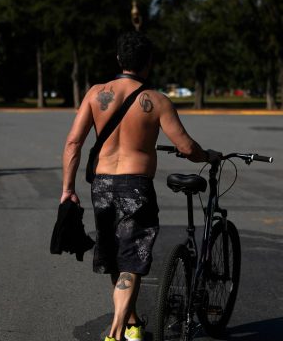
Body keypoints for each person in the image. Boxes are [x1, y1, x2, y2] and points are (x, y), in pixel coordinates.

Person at [60, 31, 220, 341]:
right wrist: (207, 155)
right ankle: (115, 335)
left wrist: (68, 187)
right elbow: (186, 147)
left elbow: (73, 142)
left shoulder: (96, 93)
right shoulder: (157, 101)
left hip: (102, 184)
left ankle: (132, 327)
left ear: (119, 59)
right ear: (149, 63)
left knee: (115, 257)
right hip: (135, 186)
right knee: (131, 260)